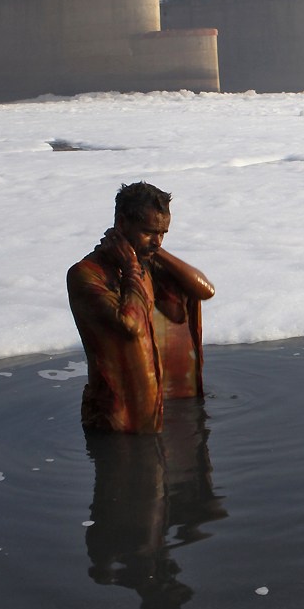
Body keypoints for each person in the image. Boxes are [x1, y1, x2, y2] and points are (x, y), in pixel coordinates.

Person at [67, 182, 216, 434]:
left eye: (163, 233)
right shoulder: (86, 275)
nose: (157, 241)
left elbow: (204, 290)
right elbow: (131, 325)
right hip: (111, 418)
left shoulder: (146, 264)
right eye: (149, 232)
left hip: (150, 410)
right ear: (122, 224)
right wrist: (131, 266)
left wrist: (157, 254)